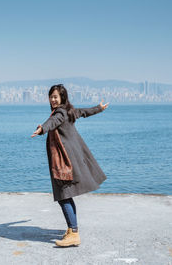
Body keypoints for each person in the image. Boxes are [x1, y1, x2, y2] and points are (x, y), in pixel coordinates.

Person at [31, 84, 109, 247]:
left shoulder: (60, 112)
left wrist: (42, 129)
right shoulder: (69, 110)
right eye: (51, 97)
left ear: (62, 98)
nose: (52, 100)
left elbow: (53, 121)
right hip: (72, 158)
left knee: (64, 195)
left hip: (65, 162)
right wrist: (99, 108)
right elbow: (84, 112)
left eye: (55, 97)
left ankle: (73, 233)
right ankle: (72, 229)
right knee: (66, 195)